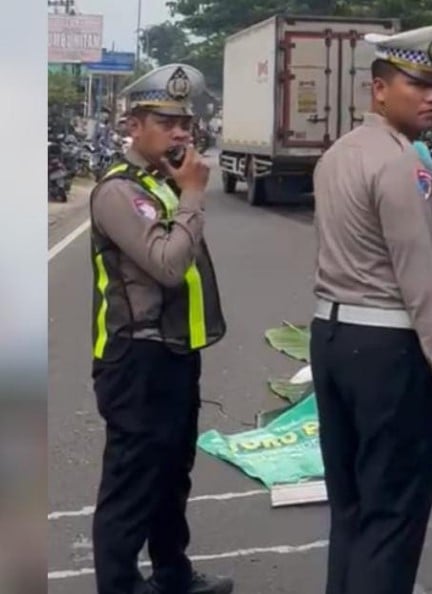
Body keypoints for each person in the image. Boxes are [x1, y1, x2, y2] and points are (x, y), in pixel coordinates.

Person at [310, 25, 432, 594]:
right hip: (389, 353)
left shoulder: (337, 154)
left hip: (332, 340)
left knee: (353, 508)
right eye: (417, 84)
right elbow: (420, 280)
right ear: (379, 89)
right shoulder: (403, 163)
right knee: (392, 518)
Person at [87, 64, 233, 594]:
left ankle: (174, 576)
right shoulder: (118, 192)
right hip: (135, 359)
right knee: (131, 484)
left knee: (172, 476)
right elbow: (168, 264)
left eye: (185, 122)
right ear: (134, 125)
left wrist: (182, 191)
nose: (181, 133)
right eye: (167, 122)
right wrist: (193, 194)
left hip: (174, 352)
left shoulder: (160, 183)